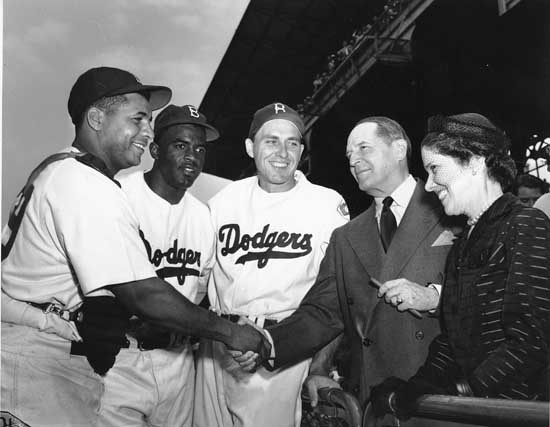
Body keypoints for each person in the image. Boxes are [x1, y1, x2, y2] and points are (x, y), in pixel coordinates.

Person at [1, 67, 269, 427]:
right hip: (39, 353)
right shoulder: (84, 182)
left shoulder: (62, 169)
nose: (146, 131)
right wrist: (231, 333)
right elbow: (142, 294)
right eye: (137, 119)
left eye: (149, 122)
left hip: (43, 347)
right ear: (96, 119)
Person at [238, 116, 459, 415]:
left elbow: (489, 293)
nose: (354, 160)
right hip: (376, 401)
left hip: (443, 397)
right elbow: (323, 313)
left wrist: (435, 297)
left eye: (364, 148)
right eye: (349, 155)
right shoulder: (346, 237)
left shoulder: (452, 208)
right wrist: (267, 341)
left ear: (398, 149)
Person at [370, 113, 550, 422]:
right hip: (483, 412)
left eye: (435, 169)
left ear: (475, 162)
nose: (429, 185)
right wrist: (419, 385)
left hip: (521, 413)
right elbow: (454, 338)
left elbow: (533, 339)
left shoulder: (525, 224)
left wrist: (464, 390)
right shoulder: (464, 241)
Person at [193, 102, 350, 427]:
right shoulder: (223, 201)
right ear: (250, 147)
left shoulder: (326, 204)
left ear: (302, 151)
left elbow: (337, 297)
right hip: (216, 347)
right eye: (271, 141)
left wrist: (320, 367)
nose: (283, 152)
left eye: (292, 142)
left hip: (281, 351)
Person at [93, 104, 218, 426]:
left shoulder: (203, 217)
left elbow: (200, 292)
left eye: (200, 149)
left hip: (178, 363)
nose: (192, 157)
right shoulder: (119, 195)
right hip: (121, 358)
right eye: (180, 146)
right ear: (155, 150)